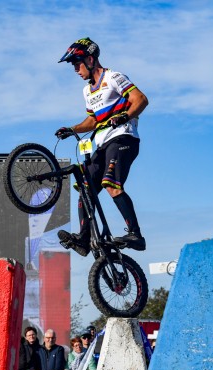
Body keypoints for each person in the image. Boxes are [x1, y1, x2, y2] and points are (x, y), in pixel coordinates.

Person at [55, 37, 149, 254]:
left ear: (90, 59)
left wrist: (125, 116)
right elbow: (93, 121)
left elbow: (141, 99)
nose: (75, 69)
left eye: (76, 64)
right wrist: (72, 129)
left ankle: (136, 234)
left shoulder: (113, 77)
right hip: (103, 144)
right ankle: (83, 239)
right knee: (85, 188)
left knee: (111, 184)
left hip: (124, 138)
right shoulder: (87, 91)